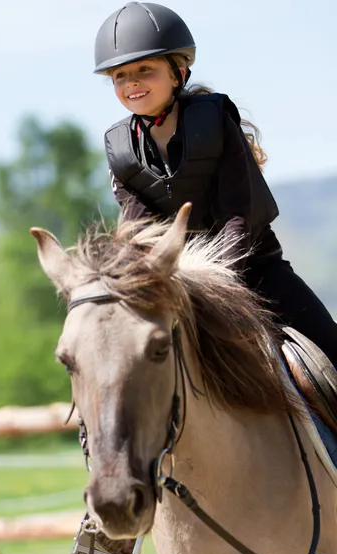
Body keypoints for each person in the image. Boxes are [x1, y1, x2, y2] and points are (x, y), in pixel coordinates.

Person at [94, 1, 337, 369]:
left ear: (177, 73)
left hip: (255, 272)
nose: (132, 83)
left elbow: (239, 215)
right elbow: (140, 234)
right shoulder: (122, 151)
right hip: (179, 290)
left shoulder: (214, 122)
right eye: (120, 76)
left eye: (145, 69)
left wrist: (213, 283)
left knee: (332, 350)